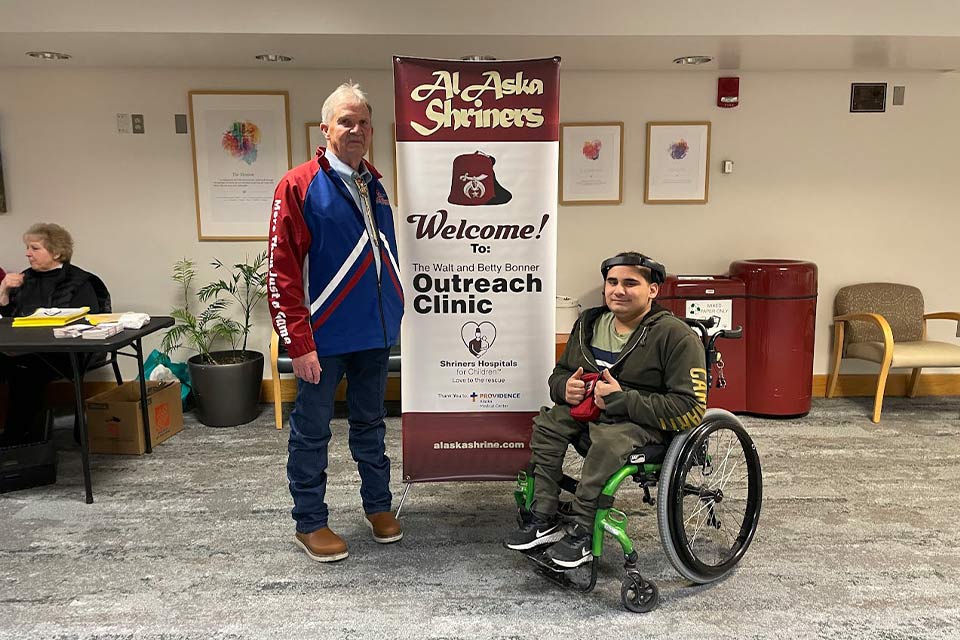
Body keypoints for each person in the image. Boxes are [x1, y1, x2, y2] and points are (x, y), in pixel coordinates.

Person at [268, 82, 404, 563]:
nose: (357, 130)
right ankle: (309, 522)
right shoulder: (299, 184)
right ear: (325, 128)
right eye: (346, 121)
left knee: (372, 424)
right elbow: (282, 271)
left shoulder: (376, 184)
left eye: (364, 122)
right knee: (313, 431)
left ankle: (378, 506)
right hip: (323, 339)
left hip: (375, 332)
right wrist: (298, 344)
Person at [504, 252, 707, 568]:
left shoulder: (676, 336)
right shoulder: (589, 323)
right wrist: (563, 388)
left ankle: (583, 530)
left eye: (630, 283)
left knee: (609, 444)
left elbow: (691, 409)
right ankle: (544, 515)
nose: (618, 290)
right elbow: (560, 372)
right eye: (612, 282)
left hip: (641, 422)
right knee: (548, 424)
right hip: (591, 414)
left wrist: (622, 400)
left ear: (653, 290)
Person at [0, 223, 108, 445]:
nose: (27, 253)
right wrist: (3, 291)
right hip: (22, 351)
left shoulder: (80, 282)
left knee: (24, 372)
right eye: (28, 248)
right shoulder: (23, 279)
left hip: (65, 354)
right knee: (16, 366)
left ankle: (17, 441)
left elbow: (86, 324)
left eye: (35, 248)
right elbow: (8, 320)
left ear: (57, 252)